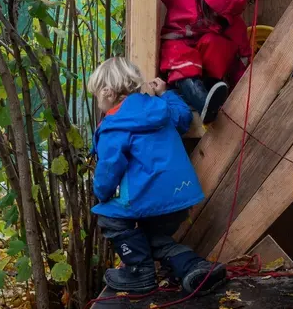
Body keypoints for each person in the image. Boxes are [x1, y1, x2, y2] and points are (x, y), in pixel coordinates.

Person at [89, 57, 227, 294]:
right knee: (150, 238)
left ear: (108, 92)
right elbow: (183, 118)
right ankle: (194, 266)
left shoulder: (114, 124)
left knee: (108, 217)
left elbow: (109, 168)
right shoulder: (160, 107)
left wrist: (101, 194)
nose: (98, 103)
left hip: (150, 200)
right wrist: (166, 93)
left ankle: (139, 273)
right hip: (180, 200)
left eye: (97, 97)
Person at [150, 0, 251, 123]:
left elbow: (242, 56)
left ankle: (211, 93)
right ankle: (202, 102)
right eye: (210, 8)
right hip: (178, 58)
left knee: (217, 43)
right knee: (181, 53)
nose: (213, 15)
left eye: (220, 14)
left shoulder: (233, 25)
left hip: (206, 73)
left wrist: (246, 89)